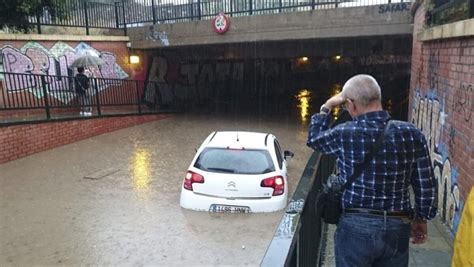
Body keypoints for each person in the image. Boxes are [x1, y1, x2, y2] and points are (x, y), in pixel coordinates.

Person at [307, 74, 437, 266]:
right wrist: (421, 218)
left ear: (351, 104)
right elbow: (425, 182)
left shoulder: (345, 133)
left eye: (345, 106)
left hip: (355, 225)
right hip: (397, 224)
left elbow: (314, 139)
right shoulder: (411, 133)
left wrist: (327, 107)